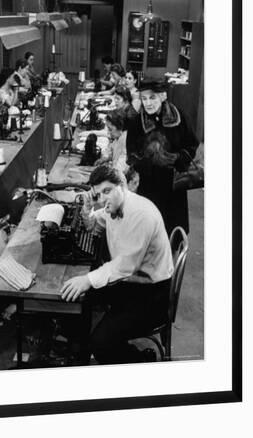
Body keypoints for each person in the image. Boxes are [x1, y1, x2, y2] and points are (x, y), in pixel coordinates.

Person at [60, 165, 173, 364]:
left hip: (152, 294)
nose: (102, 199)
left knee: (101, 342)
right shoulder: (115, 205)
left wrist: (87, 279)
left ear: (122, 186)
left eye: (107, 191)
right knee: (77, 297)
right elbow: (96, 223)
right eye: (98, 195)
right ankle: (81, 352)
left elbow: (124, 266)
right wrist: (87, 212)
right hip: (133, 282)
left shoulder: (140, 214)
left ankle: (140, 360)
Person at [126, 80, 199, 234]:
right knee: (150, 228)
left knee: (173, 227)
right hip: (149, 183)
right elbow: (131, 153)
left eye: (152, 98)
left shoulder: (178, 117)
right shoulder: (136, 122)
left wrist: (177, 158)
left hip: (174, 182)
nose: (147, 103)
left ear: (163, 96)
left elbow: (192, 144)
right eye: (144, 99)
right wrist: (147, 160)